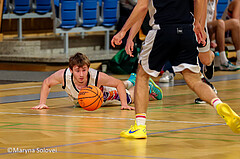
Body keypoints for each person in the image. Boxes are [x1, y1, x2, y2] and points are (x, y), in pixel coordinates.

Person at [111, 0, 240, 138]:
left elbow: (142, 7)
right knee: (195, 81)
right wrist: (198, 24)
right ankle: (219, 104)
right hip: (187, 31)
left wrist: (123, 32)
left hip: (162, 30)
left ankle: (140, 126)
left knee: (142, 76)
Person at [32, 53, 163, 110]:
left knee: (130, 97)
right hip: (83, 102)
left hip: (105, 96)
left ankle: (148, 87)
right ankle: (131, 80)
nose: (82, 74)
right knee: (120, 84)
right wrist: (42, 103)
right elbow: (46, 83)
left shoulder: (96, 76)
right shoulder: (63, 75)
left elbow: (117, 83)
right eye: (78, 71)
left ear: (88, 68)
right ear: (71, 70)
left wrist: (124, 104)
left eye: (84, 70)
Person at [207, 0, 240, 70]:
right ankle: (223, 61)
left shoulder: (215, 1)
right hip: (202, 27)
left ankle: (239, 59)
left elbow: (213, 18)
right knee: (221, 23)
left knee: (232, 23)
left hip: (213, 28)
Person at [221, 0, 240, 66]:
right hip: (225, 32)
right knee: (236, 23)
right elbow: (236, 20)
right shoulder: (238, 2)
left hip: (234, 32)